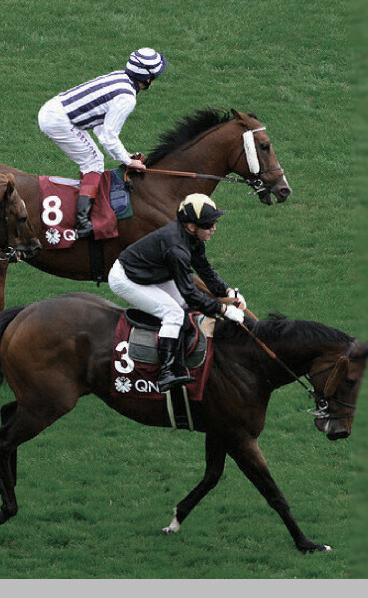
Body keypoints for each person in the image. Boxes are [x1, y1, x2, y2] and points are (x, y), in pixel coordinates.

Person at [108, 193, 247, 392]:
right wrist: (223, 309)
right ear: (191, 226)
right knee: (173, 313)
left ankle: (179, 358)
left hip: (152, 272)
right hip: (127, 279)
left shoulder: (192, 237)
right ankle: (165, 373)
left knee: (184, 306)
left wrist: (227, 291)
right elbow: (190, 292)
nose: (213, 228)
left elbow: (204, 269)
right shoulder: (177, 249)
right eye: (209, 224)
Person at [38, 48, 166, 239]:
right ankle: (83, 223)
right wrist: (130, 162)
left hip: (56, 111)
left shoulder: (120, 76)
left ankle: (88, 201)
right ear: (148, 79)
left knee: (94, 159)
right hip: (60, 121)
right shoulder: (127, 98)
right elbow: (108, 136)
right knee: (94, 161)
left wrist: (124, 156)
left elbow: (100, 124)